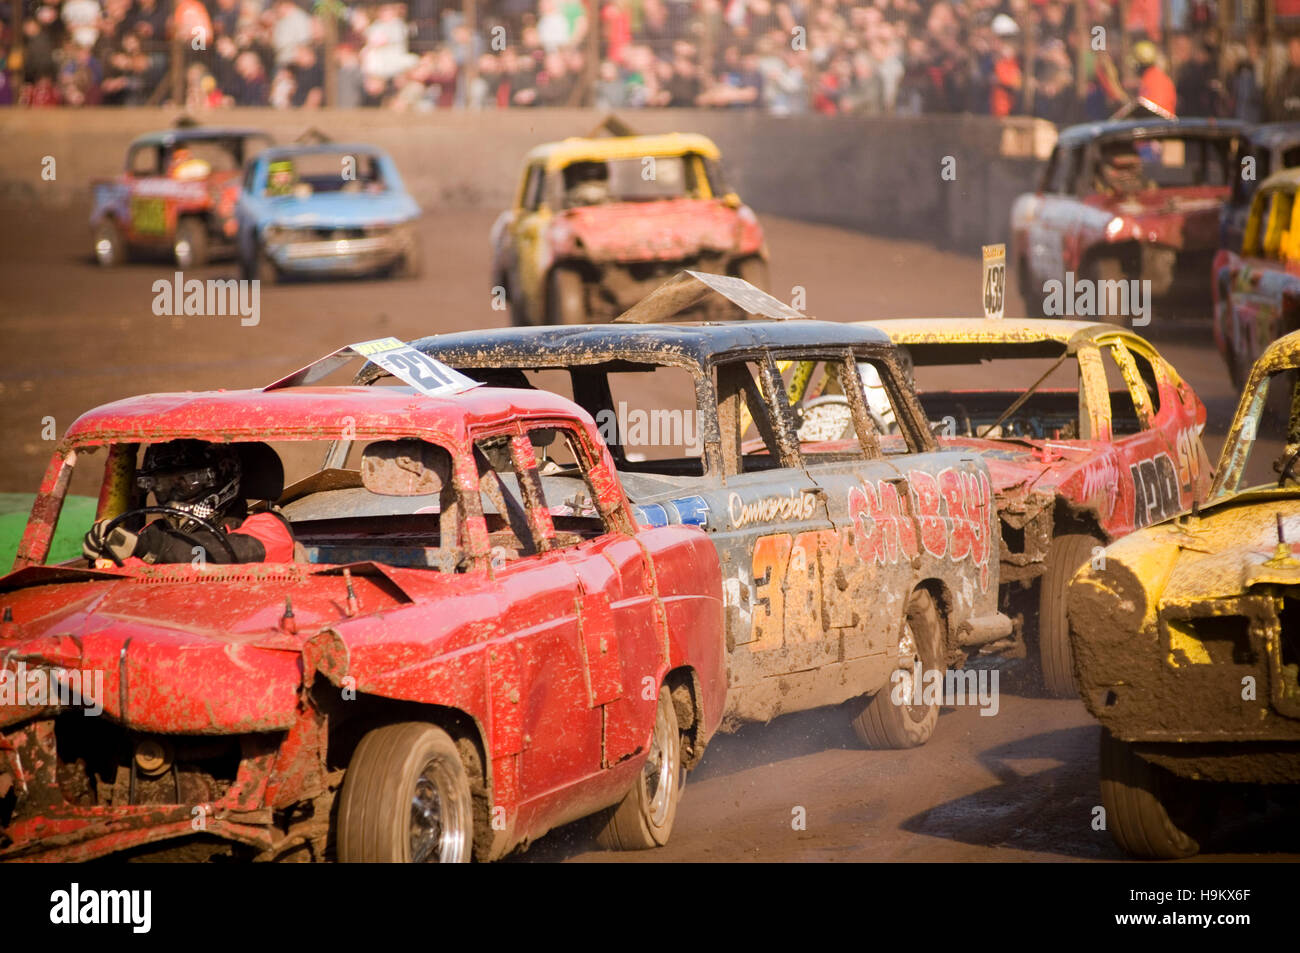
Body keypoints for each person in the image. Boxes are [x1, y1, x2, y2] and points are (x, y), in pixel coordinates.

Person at [83, 440, 294, 565]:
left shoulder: (270, 529)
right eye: (162, 485)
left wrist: (148, 547)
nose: (172, 495)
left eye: (185, 483)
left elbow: (225, 552)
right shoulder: (151, 536)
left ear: (221, 479)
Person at [1134, 39, 1176, 115]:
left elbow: (1156, 110)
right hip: (1161, 123)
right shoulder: (1154, 76)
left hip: (1160, 124)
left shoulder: (1154, 79)